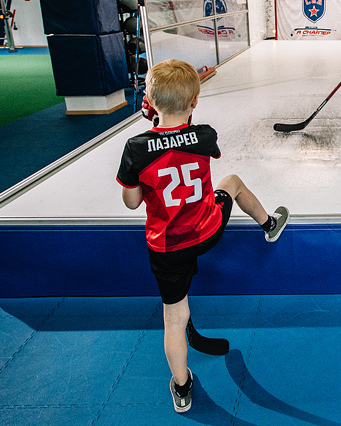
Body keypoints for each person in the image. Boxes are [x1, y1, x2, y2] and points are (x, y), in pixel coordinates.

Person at [116, 59, 290, 413]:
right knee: (233, 182)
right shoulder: (205, 135)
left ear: (149, 99)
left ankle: (182, 388)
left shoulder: (135, 147)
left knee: (173, 319)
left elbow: (132, 201)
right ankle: (269, 224)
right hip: (207, 229)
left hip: (167, 245)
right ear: (194, 101)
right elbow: (184, 141)